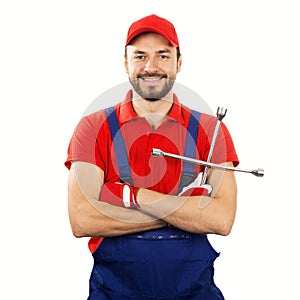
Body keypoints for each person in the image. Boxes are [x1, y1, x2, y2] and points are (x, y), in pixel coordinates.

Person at [65, 14, 239, 300]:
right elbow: (82, 219)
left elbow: (220, 220)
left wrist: (134, 196)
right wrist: (188, 210)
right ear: (126, 63)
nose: (151, 67)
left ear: (179, 62)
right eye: (140, 56)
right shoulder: (93, 128)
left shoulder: (211, 130)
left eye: (162, 55)